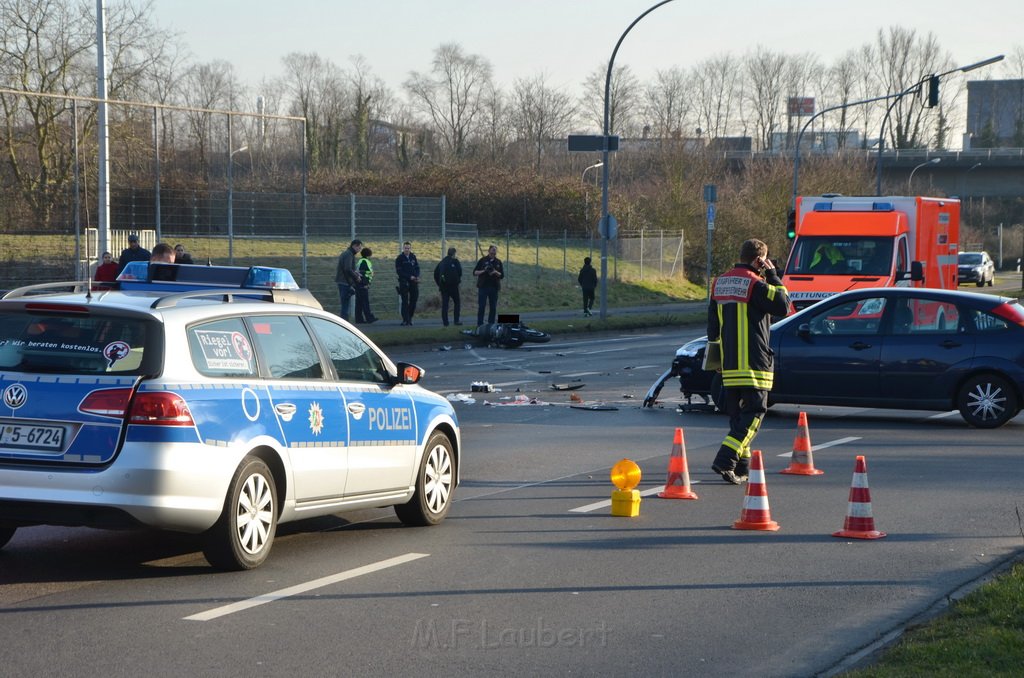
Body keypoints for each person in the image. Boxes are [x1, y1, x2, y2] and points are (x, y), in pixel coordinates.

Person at [708, 238, 792, 485]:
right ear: (759, 260)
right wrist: (774, 275)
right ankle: (725, 459)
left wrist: (717, 361)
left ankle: (741, 468)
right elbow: (783, 306)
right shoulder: (756, 284)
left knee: (738, 418)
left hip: (729, 364)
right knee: (755, 413)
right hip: (754, 362)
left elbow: (712, 327)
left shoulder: (719, 283)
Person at [474, 244, 504, 326]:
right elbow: (475, 272)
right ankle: (480, 325)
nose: (493, 253)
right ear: (489, 251)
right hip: (483, 287)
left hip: (494, 287)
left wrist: (495, 272)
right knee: (481, 307)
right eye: (492, 251)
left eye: (495, 251)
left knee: (493, 307)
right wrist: (484, 270)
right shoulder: (483, 260)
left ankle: (491, 324)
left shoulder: (498, 262)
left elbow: (502, 275)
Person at [334, 239, 363, 322]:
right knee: (345, 304)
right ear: (354, 246)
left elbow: (347, 268)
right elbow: (347, 269)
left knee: (345, 303)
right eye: (359, 248)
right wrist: (356, 277)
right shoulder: (349, 254)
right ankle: (344, 322)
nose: (359, 250)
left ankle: (344, 321)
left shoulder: (347, 253)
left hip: (343, 281)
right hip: (345, 282)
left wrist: (356, 273)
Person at [434, 247, 463, 327]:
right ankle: (456, 321)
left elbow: (436, 273)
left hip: (444, 287)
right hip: (453, 286)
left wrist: (439, 284)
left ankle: (445, 323)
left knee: (445, 304)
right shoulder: (455, 261)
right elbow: (460, 272)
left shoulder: (442, 262)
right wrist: (457, 281)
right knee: (457, 302)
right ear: (454, 253)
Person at [395, 241, 420, 325]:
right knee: (405, 301)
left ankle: (410, 317)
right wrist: (409, 277)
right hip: (404, 282)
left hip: (413, 282)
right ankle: (405, 319)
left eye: (408, 248)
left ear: (410, 248)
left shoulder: (413, 257)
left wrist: (416, 276)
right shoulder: (400, 258)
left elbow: (417, 268)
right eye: (405, 248)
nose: (407, 250)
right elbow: (399, 271)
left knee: (414, 300)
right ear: (403, 248)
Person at [355, 247, 377, 324]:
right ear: (368, 255)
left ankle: (359, 319)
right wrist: (366, 284)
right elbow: (363, 274)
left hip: (359, 284)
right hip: (363, 284)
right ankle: (369, 318)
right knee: (365, 302)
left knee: (359, 302)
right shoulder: (365, 262)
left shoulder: (360, 261)